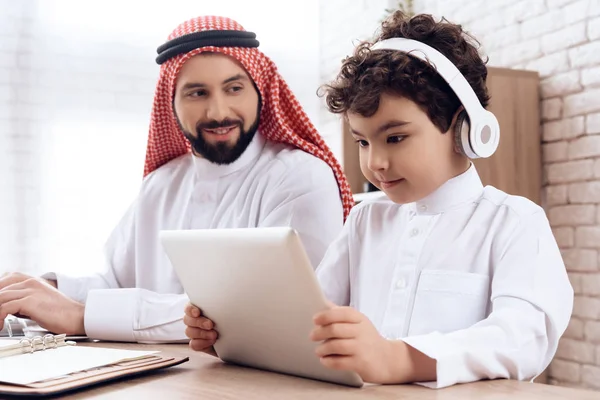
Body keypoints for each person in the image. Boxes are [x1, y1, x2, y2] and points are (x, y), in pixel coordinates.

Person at [183, 12, 574, 388]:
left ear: (464, 130)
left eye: (395, 138)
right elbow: (310, 321)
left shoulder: (514, 221)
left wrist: (398, 358)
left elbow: (523, 337)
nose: (375, 163)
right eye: (362, 141)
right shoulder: (364, 220)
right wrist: (231, 336)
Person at [0, 16, 354, 343]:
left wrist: (81, 316)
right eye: (197, 93)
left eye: (234, 89)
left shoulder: (300, 177)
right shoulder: (162, 183)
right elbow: (116, 282)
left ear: (260, 91)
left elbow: (259, 311)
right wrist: (42, 291)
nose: (218, 112)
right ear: (171, 103)